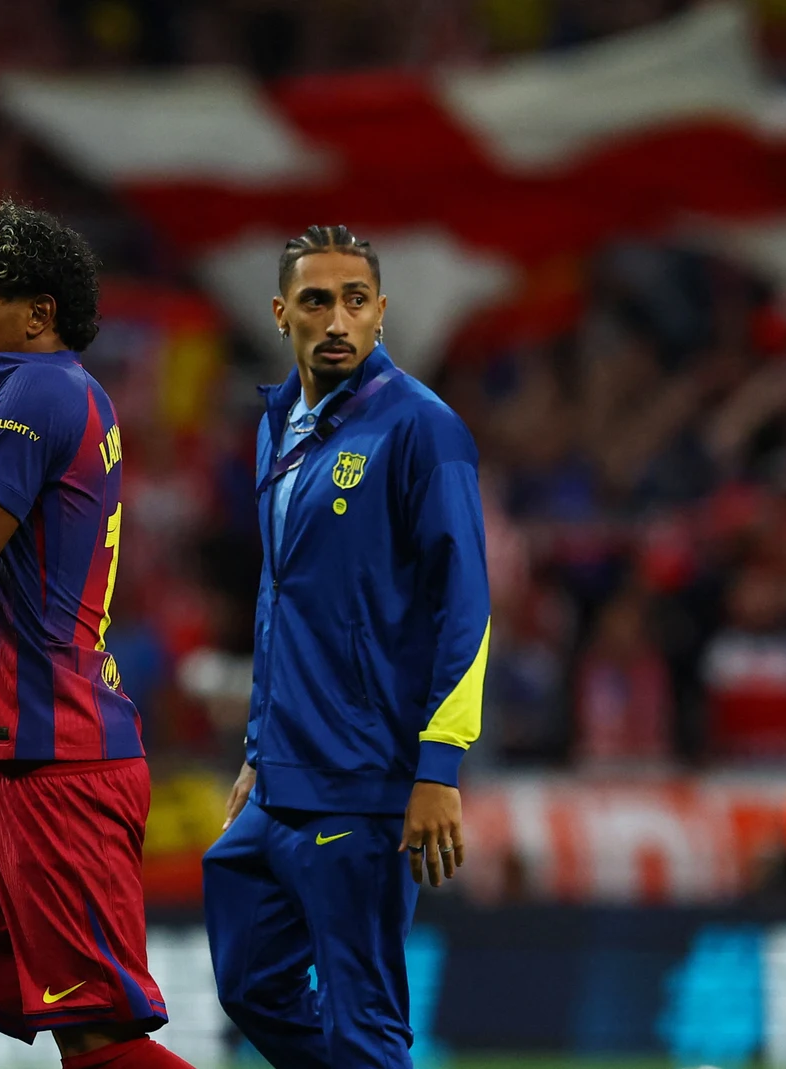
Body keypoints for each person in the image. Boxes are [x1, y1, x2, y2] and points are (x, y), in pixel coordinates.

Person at [0, 199, 196, 1069]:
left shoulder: (43, 391)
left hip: (59, 761)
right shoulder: (50, 396)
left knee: (97, 1037)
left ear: (38, 315)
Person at [202, 226, 491, 1068]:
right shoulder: (277, 428)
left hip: (366, 778)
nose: (337, 318)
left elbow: (466, 605)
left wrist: (438, 766)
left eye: (355, 300)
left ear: (381, 312)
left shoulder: (422, 429)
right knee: (249, 982)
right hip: (281, 774)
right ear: (280, 312)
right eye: (318, 300)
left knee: (364, 1018)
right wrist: (260, 744)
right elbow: (278, 603)